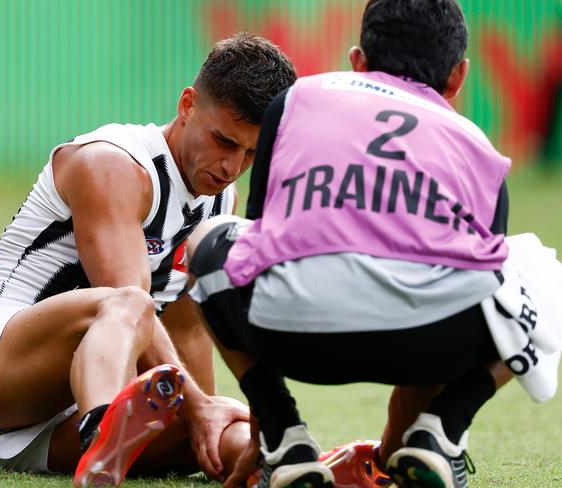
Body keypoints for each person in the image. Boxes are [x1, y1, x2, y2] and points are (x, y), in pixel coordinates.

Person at [187, 2, 562, 488]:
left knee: (209, 239)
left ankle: (285, 436)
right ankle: (444, 431)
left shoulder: (298, 97)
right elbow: (478, 280)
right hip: (430, 343)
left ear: (357, 59)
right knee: (534, 268)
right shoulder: (477, 144)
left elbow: (259, 243)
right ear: (459, 78)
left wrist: (262, 433)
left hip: (290, 334)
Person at [0, 32, 297, 487]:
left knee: (231, 433)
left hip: (55, 424)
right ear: (187, 105)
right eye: (224, 141)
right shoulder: (113, 165)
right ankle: (104, 437)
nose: (231, 167)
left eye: (249, 154)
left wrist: (208, 417)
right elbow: (129, 302)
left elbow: (186, 330)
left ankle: (296, 470)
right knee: (129, 303)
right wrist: (195, 402)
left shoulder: (218, 201)